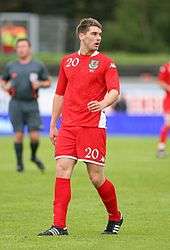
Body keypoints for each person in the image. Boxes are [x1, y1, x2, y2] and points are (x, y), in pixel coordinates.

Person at [38, 18, 123, 237]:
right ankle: (59, 226)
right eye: (94, 34)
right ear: (81, 35)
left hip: (92, 126)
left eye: (100, 35)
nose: (98, 38)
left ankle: (115, 216)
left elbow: (114, 91)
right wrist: (53, 124)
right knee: (62, 169)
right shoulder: (67, 61)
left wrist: (102, 104)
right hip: (68, 126)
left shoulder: (106, 62)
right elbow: (59, 94)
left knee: (96, 177)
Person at [0, 38, 51, 172]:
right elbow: (3, 80)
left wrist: (39, 84)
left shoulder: (38, 65)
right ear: (16, 50)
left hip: (32, 103)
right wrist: (5, 86)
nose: (21, 49)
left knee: (34, 136)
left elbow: (48, 82)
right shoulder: (11, 66)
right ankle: (19, 164)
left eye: (24, 46)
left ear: (29, 48)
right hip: (16, 103)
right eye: (19, 47)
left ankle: (33, 156)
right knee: (18, 135)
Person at [157, 62, 170, 158]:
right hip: (169, 100)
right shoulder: (166, 67)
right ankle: (161, 148)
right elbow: (160, 82)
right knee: (168, 123)